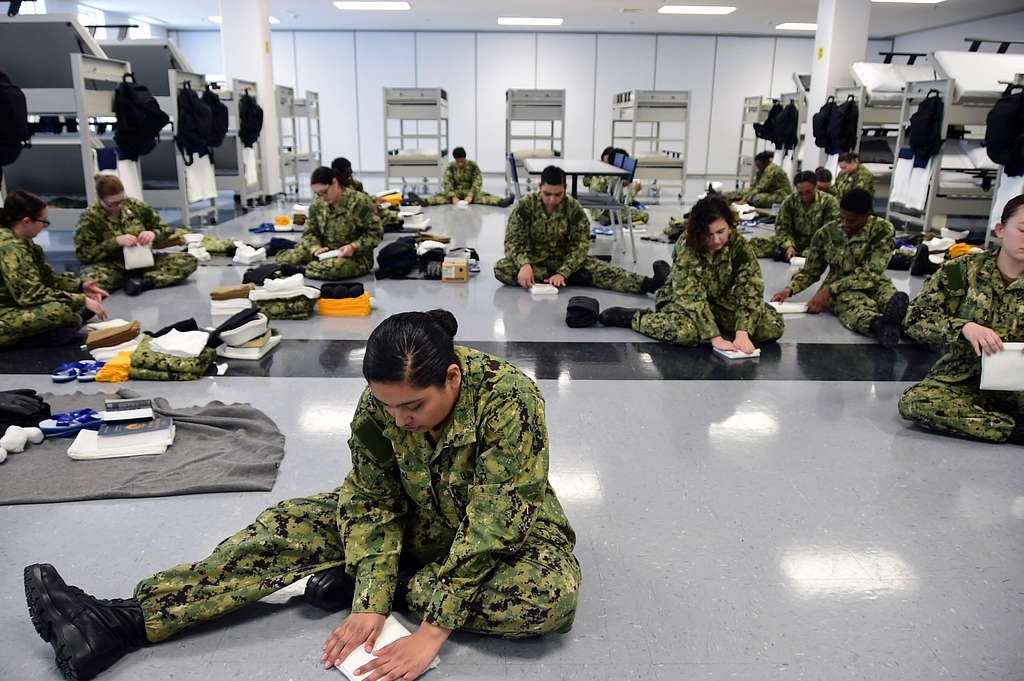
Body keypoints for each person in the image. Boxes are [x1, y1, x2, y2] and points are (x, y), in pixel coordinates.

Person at [24, 309, 582, 681]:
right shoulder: (382, 407)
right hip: (417, 521)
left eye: (413, 407)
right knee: (288, 524)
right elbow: (370, 500)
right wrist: (370, 600)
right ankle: (122, 621)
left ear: (453, 379)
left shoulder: (508, 399)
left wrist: (429, 629)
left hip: (508, 533)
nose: (400, 419)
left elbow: (495, 522)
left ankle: (387, 579)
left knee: (546, 599)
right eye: (389, 406)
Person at [899, 194, 1024, 444]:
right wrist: (964, 327)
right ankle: (1012, 429)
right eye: (1023, 229)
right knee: (916, 402)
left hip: (1020, 383)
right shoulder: (962, 271)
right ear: (1000, 230)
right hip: (962, 380)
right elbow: (915, 319)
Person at [594, 195, 784, 351]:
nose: (717, 240)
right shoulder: (688, 246)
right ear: (698, 232)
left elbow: (750, 288)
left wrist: (743, 332)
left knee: (772, 325)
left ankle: (668, 276)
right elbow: (691, 297)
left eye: (721, 231)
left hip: (718, 300)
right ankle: (635, 318)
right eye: (709, 235)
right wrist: (715, 337)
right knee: (687, 333)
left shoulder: (738, 244)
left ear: (729, 224)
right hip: (681, 298)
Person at [493, 165, 668, 294]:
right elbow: (512, 241)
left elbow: (581, 243)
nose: (552, 200)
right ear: (540, 188)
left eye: (558, 194)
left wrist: (564, 271)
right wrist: (524, 264)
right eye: (547, 194)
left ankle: (650, 284)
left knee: (606, 271)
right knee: (502, 268)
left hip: (565, 260)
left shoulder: (573, 208)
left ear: (565, 190)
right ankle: (574, 278)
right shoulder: (526, 205)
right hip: (534, 262)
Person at [771, 188, 908, 348]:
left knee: (892, 301)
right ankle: (878, 325)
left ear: (867, 215)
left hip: (873, 282)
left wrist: (829, 290)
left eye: (851, 221)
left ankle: (913, 329)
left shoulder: (883, 230)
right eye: (841, 218)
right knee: (853, 305)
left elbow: (871, 272)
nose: (844, 224)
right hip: (840, 289)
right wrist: (788, 290)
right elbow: (811, 271)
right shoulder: (826, 233)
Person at [1, 191, 108, 349]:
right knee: (58, 311)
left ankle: (61, 326)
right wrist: (81, 299)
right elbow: (31, 295)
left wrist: (80, 287)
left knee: (66, 307)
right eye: (43, 222)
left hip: (13, 303)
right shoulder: (10, 248)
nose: (44, 226)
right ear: (26, 221)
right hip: (5, 311)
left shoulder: (23, 241)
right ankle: (35, 337)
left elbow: (47, 278)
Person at [75, 175, 197, 296]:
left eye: (122, 200)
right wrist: (114, 242)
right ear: (101, 200)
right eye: (113, 204)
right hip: (112, 265)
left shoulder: (135, 206)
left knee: (188, 261)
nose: (120, 206)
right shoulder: (90, 217)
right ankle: (128, 280)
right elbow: (84, 255)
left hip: (142, 260)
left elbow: (165, 229)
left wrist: (153, 234)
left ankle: (144, 283)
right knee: (90, 283)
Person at [276, 165, 383, 280]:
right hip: (325, 252)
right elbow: (309, 233)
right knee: (288, 258)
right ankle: (308, 265)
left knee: (337, 268)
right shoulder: (318, 205)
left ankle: (301, 270)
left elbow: (376, 233)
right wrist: (315, 248)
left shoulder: (359, 203)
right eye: (318, 194)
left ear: (335, 182)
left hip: (355, 256)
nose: (322, 198)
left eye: (324, 192)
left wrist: (354, 247)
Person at [747, 170, 840, 262]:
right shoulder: (790, 202)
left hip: (819, 244)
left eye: (808, 192)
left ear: (815, 187)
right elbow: (782, 228)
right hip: (795, 241)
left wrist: (810, 249)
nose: (804, 196)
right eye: (801, 193)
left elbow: (830, 232)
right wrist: (788, 246)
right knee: (755, 246)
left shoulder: (829, 202)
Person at [331, 156, 404, 232]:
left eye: (351, 174)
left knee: (391, 208)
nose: (350, 178)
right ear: (337, 175)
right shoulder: (334, 192)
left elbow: (365, 196)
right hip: (351, 222)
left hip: (364, 213)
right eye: (347, 176)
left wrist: (375, 199)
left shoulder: (353, 184)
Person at [582, 146, 649, 226]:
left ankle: (607, 217)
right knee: (645, 216)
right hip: (606, 208)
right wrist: (635, 190)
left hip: (594, 207)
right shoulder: (615, 178)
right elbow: (621, 202)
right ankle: (612, 218)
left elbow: (586, 182)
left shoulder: (598, 173)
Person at [426, 147, 513, 207]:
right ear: (455, 160)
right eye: (457, 161)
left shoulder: (472, 166)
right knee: (441, 196)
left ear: (465, 158)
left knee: (484, 196)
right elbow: (447, 182)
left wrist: (471, 195)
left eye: (462, 161)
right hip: (455, 192)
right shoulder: (450, 167)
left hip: (470, 191)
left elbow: (477, 181)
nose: (460, 164)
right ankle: (425, 202)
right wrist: (452, 196)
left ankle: (501, 202)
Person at [726, 151, 791, 208]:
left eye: (759, 165)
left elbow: (760, 188)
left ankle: (746, 202)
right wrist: (744, 194)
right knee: (743, 191)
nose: (757, 167)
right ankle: (725, 197)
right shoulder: (762, 170)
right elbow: (754, 186)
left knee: (756, 198)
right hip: (770, 192)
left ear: (765, 162)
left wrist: (745, 200)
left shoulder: (771, 170)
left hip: (782, 195)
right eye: (756, 165)